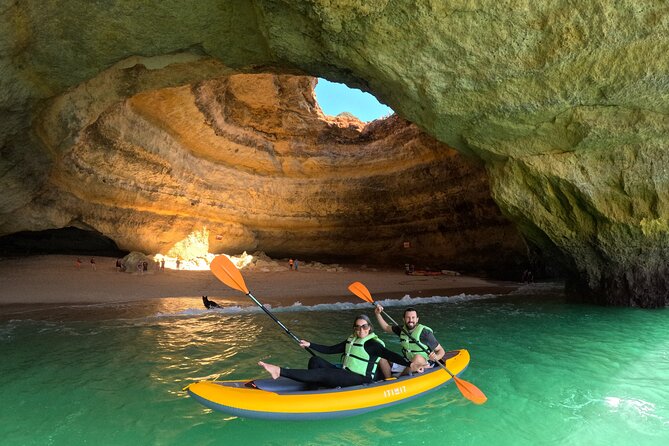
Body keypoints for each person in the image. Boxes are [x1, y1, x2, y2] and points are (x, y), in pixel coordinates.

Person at [258, 315, 425, 389]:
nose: (361, 329)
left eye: (364, 326)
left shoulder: (373, 344)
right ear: (354, 329)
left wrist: (411, 364)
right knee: (316, 362)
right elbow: (330, 349)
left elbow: (391, 355)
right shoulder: (351, 340)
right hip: (345, 373)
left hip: (360, 379)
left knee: (323, 373)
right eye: (357, 327)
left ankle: (278, 371)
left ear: (369, 328)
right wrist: (310, 344)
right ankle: (312, 388)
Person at [374, 306, 446, 377]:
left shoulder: (425, 333)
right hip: (407, 361)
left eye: (413, 317)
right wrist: (377, 314)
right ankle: (389, 379)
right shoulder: (401, 329)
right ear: (404, 319)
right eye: (408, 317)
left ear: (417, 319)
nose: (410, 320)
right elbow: (386, 327)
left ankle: (398, 379)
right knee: (382, 356)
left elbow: (441, 350)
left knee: (417, 358)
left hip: (424, 362)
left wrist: (436, 357)